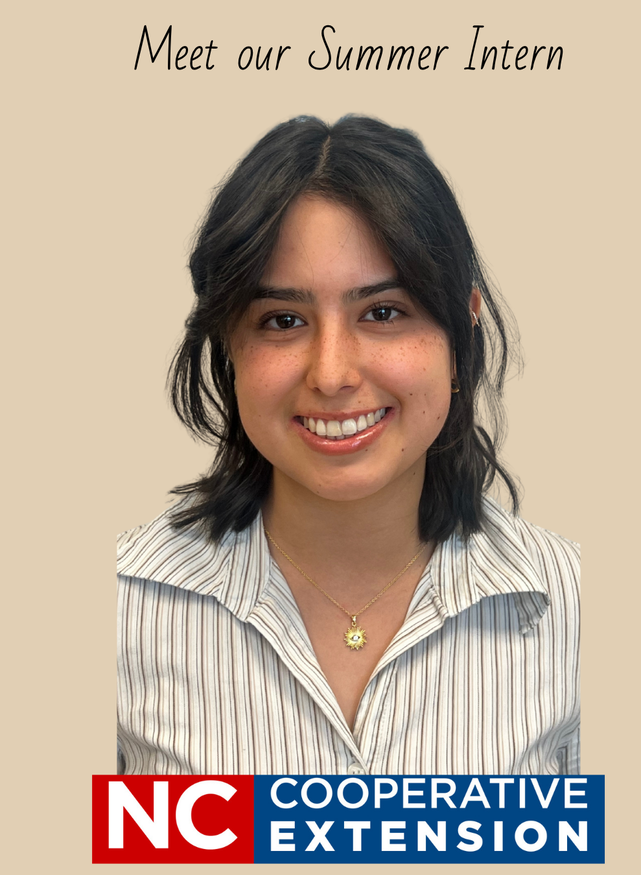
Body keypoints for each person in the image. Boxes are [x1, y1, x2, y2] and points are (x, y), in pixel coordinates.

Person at [117, 115, 580, 776]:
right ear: (231, 348)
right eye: (282, 320)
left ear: (461, 331)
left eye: (383, 312)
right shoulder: (114, 605)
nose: (331, 373)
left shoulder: (579, 607)